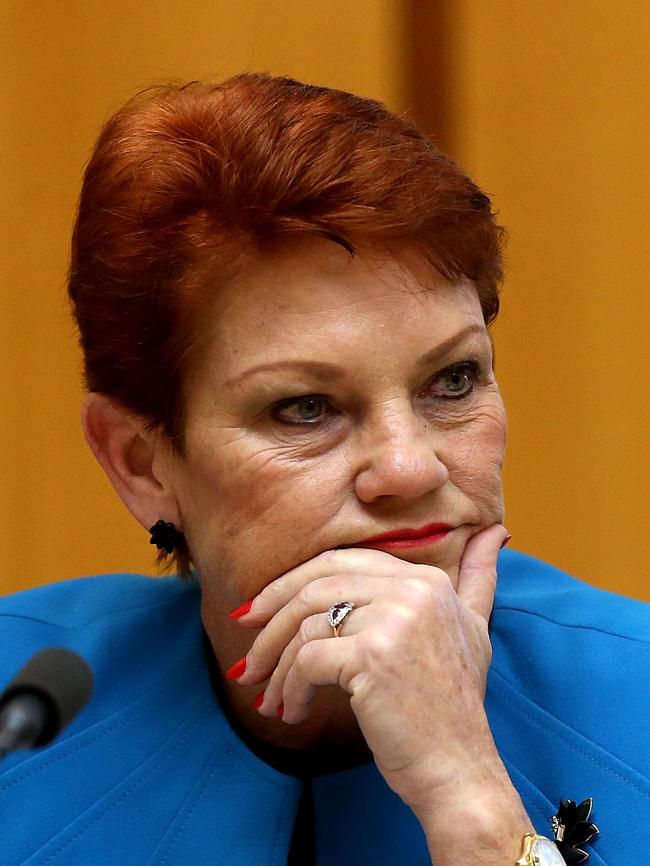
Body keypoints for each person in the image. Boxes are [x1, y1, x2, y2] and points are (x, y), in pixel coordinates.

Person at [0, 73, 647, 866]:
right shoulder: (22, 706)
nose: (408, 468)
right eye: (305, 408)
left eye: (452, 381)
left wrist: (469, 797)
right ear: (142, 463)